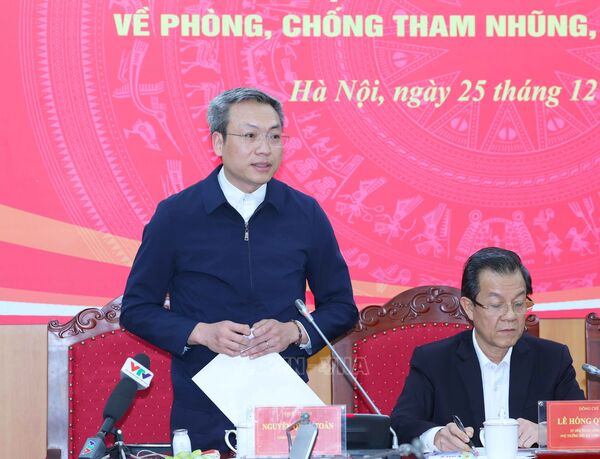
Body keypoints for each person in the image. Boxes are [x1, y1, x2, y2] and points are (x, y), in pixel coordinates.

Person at [120, 88, 358, 450]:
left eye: (274, 137)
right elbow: (136, 309)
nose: (264, 149)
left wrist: (294, 331)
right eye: (250, 136)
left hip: (283, 408)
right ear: (218, 142)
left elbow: (342, 308)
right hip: (203, 408)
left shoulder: (305, 213)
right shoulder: (176, 215)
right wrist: (200, 332)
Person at [390, 247, 584, 453]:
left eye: (519, 304)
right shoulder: (433, 361)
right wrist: (436, 437)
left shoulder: (552, 359)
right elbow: (401, 424)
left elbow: (586, 425)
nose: (510, 315)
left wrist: (547, 431)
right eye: (496, 305)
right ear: (469, 308)